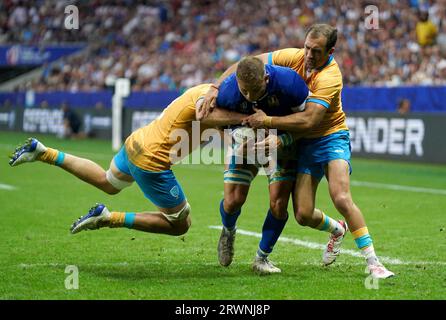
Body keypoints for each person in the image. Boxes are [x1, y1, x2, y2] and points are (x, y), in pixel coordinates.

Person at [199, 24, 394, 279]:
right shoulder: (293, 58)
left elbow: (309, 121)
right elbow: (246, 64)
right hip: (298, 140)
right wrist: (214, 87)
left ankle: (373, 263)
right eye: (307, 48)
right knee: (302, 214)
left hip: (328, 136)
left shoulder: (329, 77)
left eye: (316, 51)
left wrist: (268, 125)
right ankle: (336, 229)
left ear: (330, 51)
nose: (309, 56)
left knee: (340, 197)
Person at [9, 84, 247, 238]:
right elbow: (212, 119)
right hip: (152, 160)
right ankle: (109, 218)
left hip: (137, 142)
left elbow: (223, 131)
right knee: (180, 224)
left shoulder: (206, 90)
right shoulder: (211, 103)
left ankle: (43, 152)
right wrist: (248, 121)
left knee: (107, 182)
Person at [208, 56, 316, 275]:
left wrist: (282, 140)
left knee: (278, 204)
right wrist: (230, 142)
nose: (249, 96)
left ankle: (262, 258)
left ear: (266, 78)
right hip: (244, 144)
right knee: (232, 201)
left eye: (254, 90)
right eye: (244, 91)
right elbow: (212, 119)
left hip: (282, 143)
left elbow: (310, 122)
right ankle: (228, 231)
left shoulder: (290, 83)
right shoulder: (228, 90)